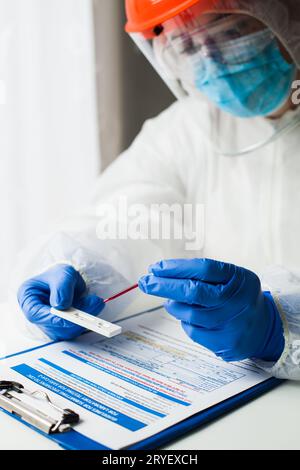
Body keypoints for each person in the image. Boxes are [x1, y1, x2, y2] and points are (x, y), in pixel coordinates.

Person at [16, 0, 300, 379]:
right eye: (187, 46)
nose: (211, 61)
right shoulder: (189, 128)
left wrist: (281, 329)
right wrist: (82, 269)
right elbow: (128, 212)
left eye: (228, 32)